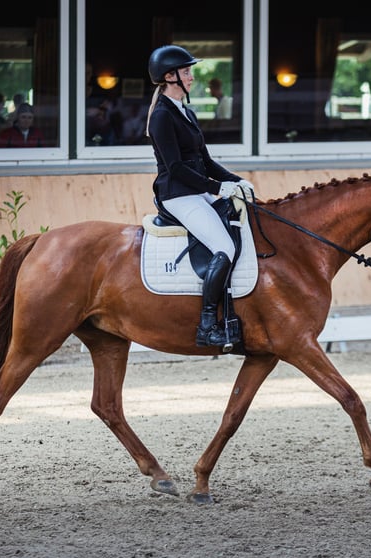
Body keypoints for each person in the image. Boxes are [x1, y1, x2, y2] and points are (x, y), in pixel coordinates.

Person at [145, 45, 254, 349]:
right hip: (178, 195)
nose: (192, 77)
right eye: (187, 72)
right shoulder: (162, 116)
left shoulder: (185, 111)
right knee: (224, 246)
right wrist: (218, 188)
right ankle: (207, 324)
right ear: (170, 76)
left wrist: (237, 181)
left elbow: (205, 161)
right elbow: (176, 168)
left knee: (240, 225)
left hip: (196, 191)